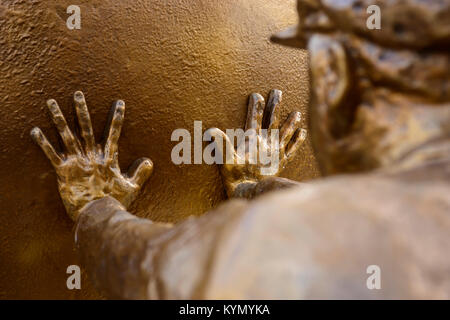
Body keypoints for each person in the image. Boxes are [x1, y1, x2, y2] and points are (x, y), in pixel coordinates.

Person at [31, 0, 450, 299]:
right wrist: (255, 188)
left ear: (334, 77)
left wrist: (95, 209)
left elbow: (159, 272)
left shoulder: (285, 248)